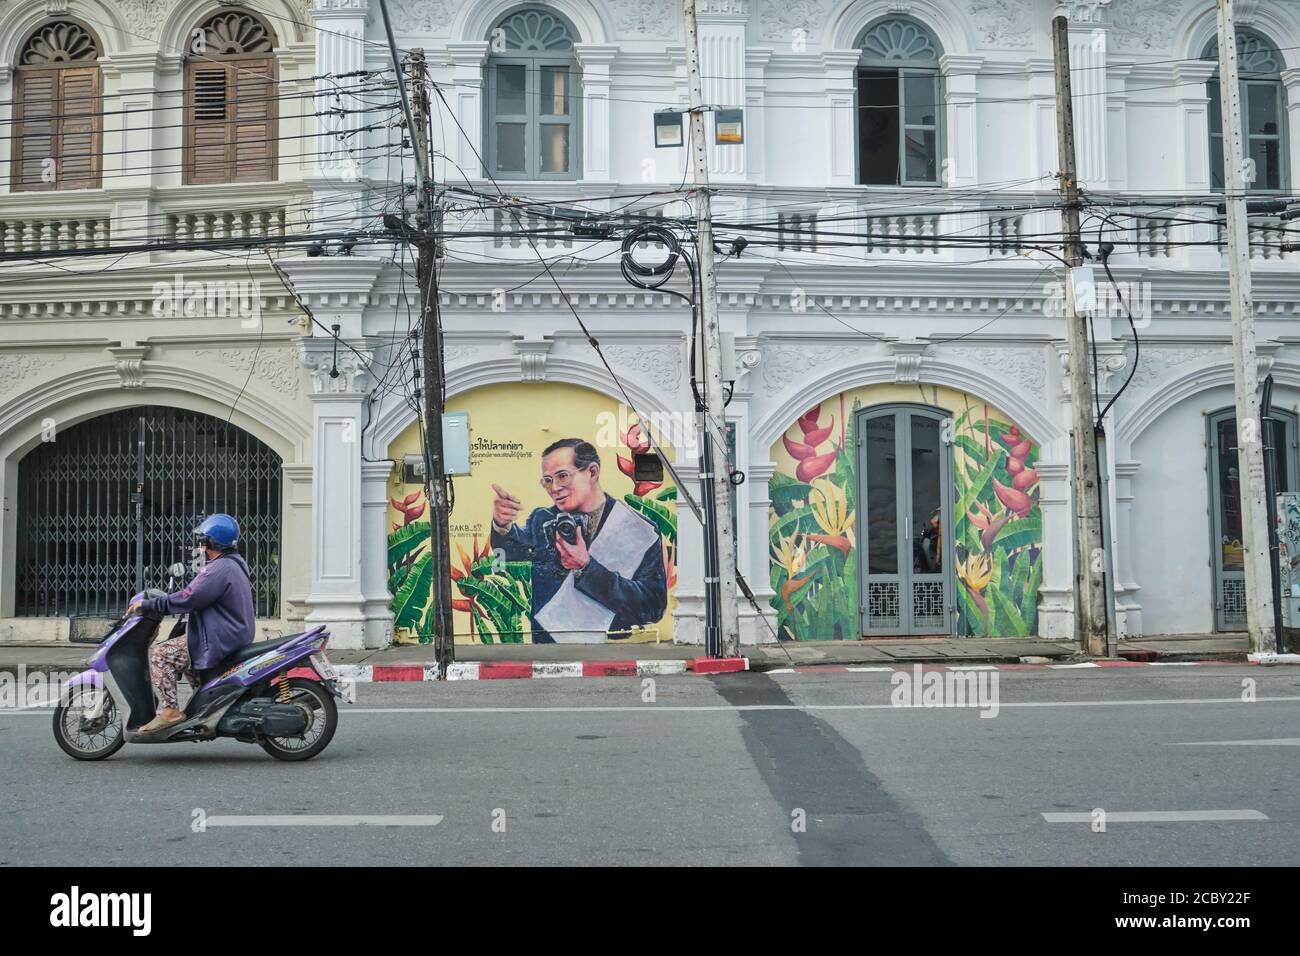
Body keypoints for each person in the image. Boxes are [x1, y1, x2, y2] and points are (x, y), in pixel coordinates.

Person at [490, 438, 667, 643]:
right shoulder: (542, 519)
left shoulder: (640, 529)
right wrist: (501, 525)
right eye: (547, 480)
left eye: (562, 476)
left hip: (611, 650)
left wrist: (587, 568)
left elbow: (652, 607)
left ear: (592, 472)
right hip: (549, 650)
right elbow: (505, 561)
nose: (554, 488)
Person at [127, 514, 256, 732]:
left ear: (212, 542)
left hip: (220, 636)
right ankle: (206, 708)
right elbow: (196, 595)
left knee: (161, 654)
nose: (200, 544)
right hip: (231, 632)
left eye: (203, 539)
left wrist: (149, 605)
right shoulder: (234, 562)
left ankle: (170, 711)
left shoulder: (219, 568)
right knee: (187, 653)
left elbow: (189, 596)